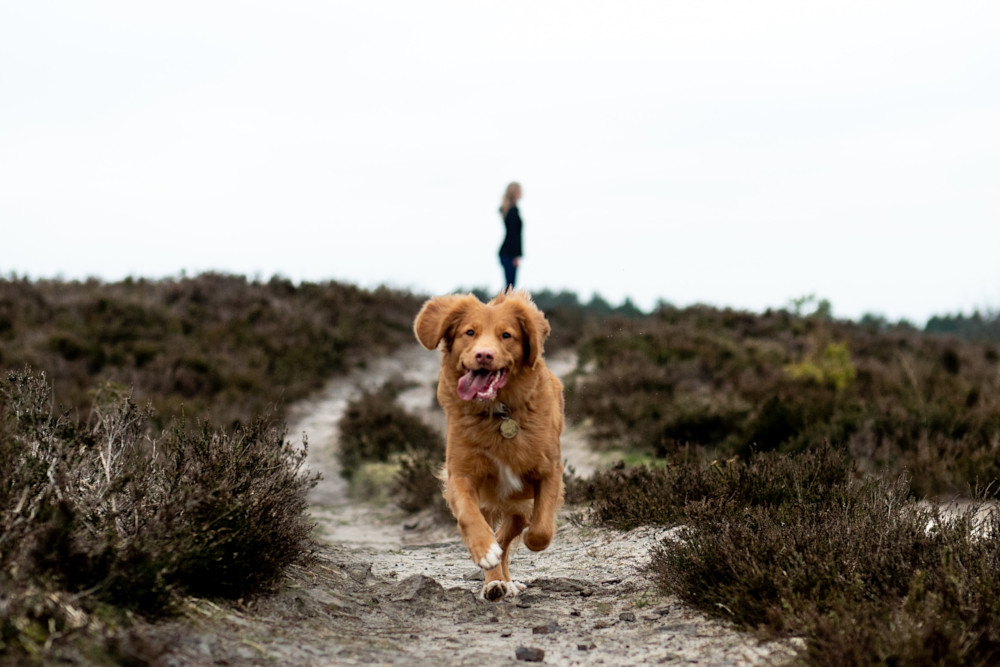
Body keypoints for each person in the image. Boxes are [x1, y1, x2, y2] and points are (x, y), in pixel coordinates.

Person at [498, 181, 523, 289]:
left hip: (506, 252)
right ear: (516, 192)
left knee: (509, 285)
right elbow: (514, 235)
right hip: (509, 253)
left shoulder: (508, 209)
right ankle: (505, 301)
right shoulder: (513, 211)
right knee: (510, 287)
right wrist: (516, 255)